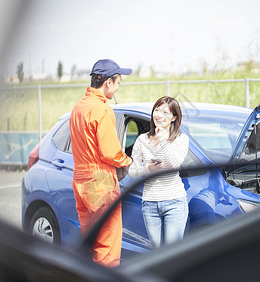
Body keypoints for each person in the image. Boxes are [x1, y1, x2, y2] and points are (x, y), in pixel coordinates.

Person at [69, 59, 133, 267]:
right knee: (107, 247)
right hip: (101, 182)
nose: (118, 87)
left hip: (81, 182)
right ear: (108, 83)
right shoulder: (103, 110)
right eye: (118, 82)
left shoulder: (79, 107)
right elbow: (110, 153)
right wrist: (128, 160)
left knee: (90, 243)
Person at [128, 96, 189, 248]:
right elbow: (132, 171)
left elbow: (175, 164)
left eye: (165, 112)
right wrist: (147, 169)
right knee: (156, 251)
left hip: (175, 202)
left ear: (174, 117)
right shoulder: (142, 139)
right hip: (149, 203)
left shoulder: (181, 139)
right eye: (157, 110)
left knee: (172, 251)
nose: (159, 115)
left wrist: (162, 140)